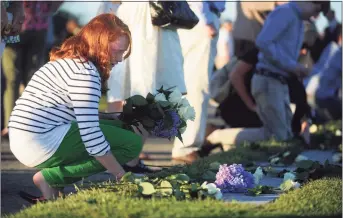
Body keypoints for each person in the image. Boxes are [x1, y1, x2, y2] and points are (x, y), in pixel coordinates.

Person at [9, 14, 144, 202]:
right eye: (118, 51)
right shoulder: (85, 74)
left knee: (121, 129)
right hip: (39, 141)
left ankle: (53, 186)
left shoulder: (73, 61)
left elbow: (73, 113)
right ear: (100, 44)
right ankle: (50, 179)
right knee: (132, 144)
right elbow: (91, 136)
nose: (120, 59)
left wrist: (107, 117)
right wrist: (122, 176)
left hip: (29, 138)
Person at [251, 1, 329, 141]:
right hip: (268, 80)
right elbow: (263, 41)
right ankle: (222, 137)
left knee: (285, 135)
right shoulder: (285, 13)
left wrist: (295, 67)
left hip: (279, 81)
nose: (315, 16)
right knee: (278, 136)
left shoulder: (298, 20)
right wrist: (291, 65)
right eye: (316, 10)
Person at [171, 1, 225, 164]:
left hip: (194, 18)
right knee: (197, 86)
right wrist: (205, 20)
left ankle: (184, 143)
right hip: (200, 20)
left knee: (190, 86)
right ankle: (186, 147)